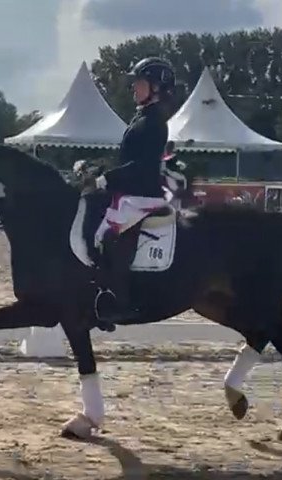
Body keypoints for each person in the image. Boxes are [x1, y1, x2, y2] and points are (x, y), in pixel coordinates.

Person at [92, 57, 176, 324]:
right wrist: (98, 170)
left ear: (155, 87)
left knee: (108, 235)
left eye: (138, 83)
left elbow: (141, 165)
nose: (133, 89)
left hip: (142, 195)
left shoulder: (155, 123)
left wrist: (109, 178)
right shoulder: (141, 118)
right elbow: (126, 158)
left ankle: (122, 301)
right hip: (130, 192)